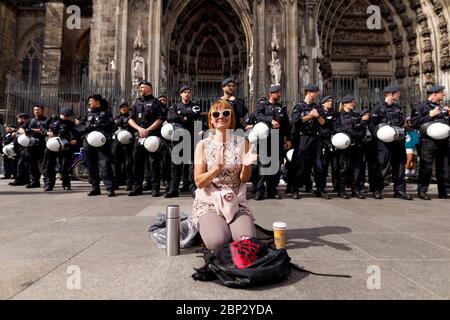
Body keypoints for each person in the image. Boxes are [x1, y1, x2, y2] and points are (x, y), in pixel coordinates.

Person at [193, 99, 258, 252]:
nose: (220, 116)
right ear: (211, 120)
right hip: (209, 201)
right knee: (218, 243)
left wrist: (247, 165)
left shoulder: (243, 143)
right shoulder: (202, 145)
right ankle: (213, 227)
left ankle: (230, 227)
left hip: (235, 200)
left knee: (246, 243)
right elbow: (199, 182)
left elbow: (244, 179)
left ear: (231, 118)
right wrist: (215, 170)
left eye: (225, 113)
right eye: (216, 114)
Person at [369, 85, 412, 200]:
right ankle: (377, 190)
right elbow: (372, 125)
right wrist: (380, 135)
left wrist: (407, 125)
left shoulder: (398, 108)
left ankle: (400, 191)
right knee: (382, 166)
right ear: (391, 94)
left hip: (397, 141)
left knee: (399, 166)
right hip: (384, 142)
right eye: (397, 93)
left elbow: (402, 123)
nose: (399, 95)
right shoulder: (378, 108)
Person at [291, 83, 330, 200]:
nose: (317, 94)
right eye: (316, 92)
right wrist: (310, 116)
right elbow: (295, 121)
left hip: (315, 138)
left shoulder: (317, 107)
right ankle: (295, 189)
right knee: (300, 164)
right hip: (303, 138)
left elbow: (324, 123)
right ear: (309, 92)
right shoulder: (298, 106)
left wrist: (317, 116)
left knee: (319, 164)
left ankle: (320, 189)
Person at [411, 85, 450, 200]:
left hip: (443, 141)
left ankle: (444, 191)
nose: (443, 95)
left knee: (445, 167)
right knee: (426, 167)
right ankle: (422, 191)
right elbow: (415, 123)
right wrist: (430, 115)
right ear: (434, 94)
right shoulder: (421, 107)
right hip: (428, 142)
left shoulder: (442, 108)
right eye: (441, 93)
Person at [128, 81, 165, 197]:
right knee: (137, 163)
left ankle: (155, 188)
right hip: (139, 136)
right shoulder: (137, 102)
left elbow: (160, 119)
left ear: (150, 88)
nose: (140, 89)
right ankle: (137, 187)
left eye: (142, 87)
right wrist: (139, 129)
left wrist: (148, 130)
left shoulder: (156, 103)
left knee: (154, 163)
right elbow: (130, 119)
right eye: (140, 87)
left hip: (152, 136)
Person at [255, 85, 292, 200]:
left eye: (280, 92)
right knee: (263, 165)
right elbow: (258, 116)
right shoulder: (262, 105)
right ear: (271, 94)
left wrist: (288, 139)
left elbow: (286, 125)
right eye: (277, 93)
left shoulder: (282, 108)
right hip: (265, 138)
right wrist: (270, 120)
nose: (279, 95)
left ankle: (272, 191)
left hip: (277, 138)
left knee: (275, 167)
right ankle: (260, 191)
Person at [165, 86, 202, 198]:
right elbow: (171, 117)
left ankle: (193, 189)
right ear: (180, 94)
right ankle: (173, 189)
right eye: (184, 92)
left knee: (191, 164)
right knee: (175, 164)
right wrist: (184, 116)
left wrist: (181, 114)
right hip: (177, 139)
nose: (187, 94)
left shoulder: (195, 106)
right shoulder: (175, 106)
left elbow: (195, 114)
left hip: (191, 137)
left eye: (189, 92)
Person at [78, 94, 116, 197]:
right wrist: (85, 130)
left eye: (91, 101)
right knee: (91, 165)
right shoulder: (87, 113)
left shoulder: (106, 113)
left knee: (104, 165)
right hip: (88, 141)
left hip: (102, 142)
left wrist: (98, 127)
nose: (89, 103)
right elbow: (80, 125)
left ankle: (109, 188)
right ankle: (95, 187)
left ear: (97, 101)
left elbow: (111, 126)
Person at [334, 95, 370, 199]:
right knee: (344, 168)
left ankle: (356, 190)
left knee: (357, 168)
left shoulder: (357, 115)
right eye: (351, 102)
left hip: (357, 144)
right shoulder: (338, 115)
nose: (353, 104)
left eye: (353, 102)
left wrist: (356, 129)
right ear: (345, 103)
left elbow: (362, 129)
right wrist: (354, 128)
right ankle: (341, 190)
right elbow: (337, 128)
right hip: (345, 145)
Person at [42, 108, 79, 191]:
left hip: (64, 146)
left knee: (65, 166)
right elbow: (42, 128)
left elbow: (75, 134)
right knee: (49, 166)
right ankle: (49, 184)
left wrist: (74, 140)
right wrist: (46, 132)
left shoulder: (70, 123)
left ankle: (66, 184)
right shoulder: (51, 119)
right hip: (51, 145)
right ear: (60, 114)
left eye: (67, 116)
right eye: (64, 115)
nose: (65, 117)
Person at [112, 100, 134, 191]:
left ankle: (129, 183)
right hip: (117, 142)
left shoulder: (131, 117)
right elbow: (112, 128)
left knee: (128, 163)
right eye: (121, 107)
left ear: (128, 108)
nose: (123, 108)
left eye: (125, 107)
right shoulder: (116, 117)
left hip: (128, 143)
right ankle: (116, 182)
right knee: (116, 163)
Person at [319, 95, 339, 192]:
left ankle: (337, 186)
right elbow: (321, 128)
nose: (330, 102)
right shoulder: (319, 113)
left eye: (331, 101)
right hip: (323, 142)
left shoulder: (335, 114)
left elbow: (336, 126)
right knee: (323, 166)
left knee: (336, 166)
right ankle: (322, 187)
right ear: (323, 103)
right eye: (328, 101)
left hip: (334, 141)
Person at [25, 105, 47, 188]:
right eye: (35, 110)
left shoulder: (46, 120)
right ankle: (35, 181)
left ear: (42, 110)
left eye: (38, 110)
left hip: (42, 145)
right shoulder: (30, 120)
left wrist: (35, 130)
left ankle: (46, 182)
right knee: (32, 164)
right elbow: (23, 129)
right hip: (31, 145)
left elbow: (48, 130)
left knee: (43, 164)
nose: (36, 111)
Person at [9, 113, 31, 186]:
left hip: (24, 147)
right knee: (23, 164)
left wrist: (18, 132)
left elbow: (27, 134)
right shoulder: (21, 126)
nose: (18, 120)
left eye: (19, 118)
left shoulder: (27, 125)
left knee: (21, 164)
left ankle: (20, 180)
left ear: (23, 118)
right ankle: (25, 180)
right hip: (20, 148)